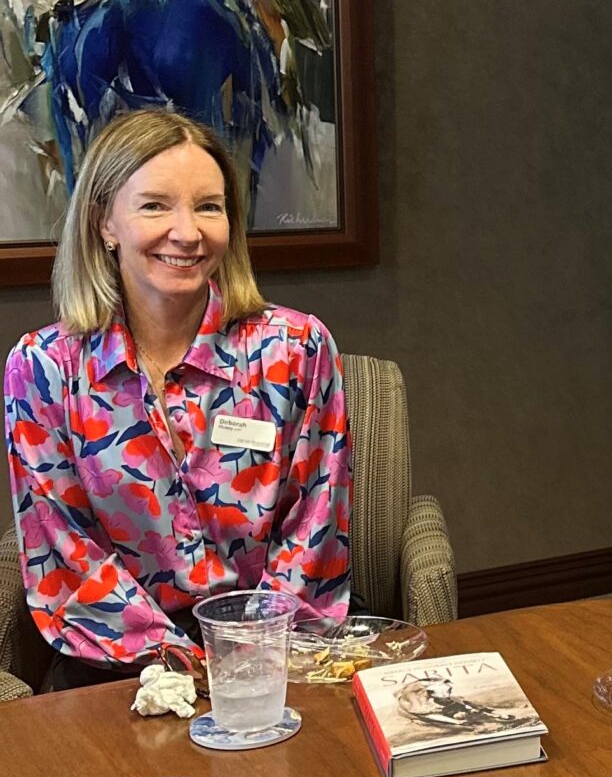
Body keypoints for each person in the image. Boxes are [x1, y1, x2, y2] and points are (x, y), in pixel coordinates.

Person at [5, 110, 352, 691]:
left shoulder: (296, 350)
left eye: (208, 206)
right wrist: (174, 659)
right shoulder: (42, 370)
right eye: (155, 205)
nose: (187, 232)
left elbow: (315, 524)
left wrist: (246, 655)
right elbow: (64, 548)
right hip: (118, 660)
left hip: (281, 646)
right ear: (104, 223)